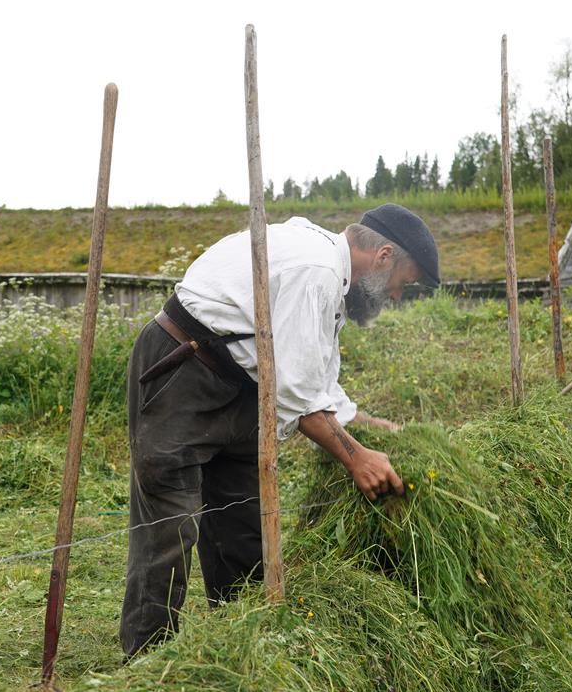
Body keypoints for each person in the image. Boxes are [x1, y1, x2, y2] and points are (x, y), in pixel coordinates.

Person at [119, 203, 440, 657]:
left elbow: (314, 377)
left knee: (243, 522)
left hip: (240, 387)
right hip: (182, 372)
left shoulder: (332, 281)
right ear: (384, 256)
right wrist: (356, 457)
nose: (396, 297)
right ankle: (148, 662)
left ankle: (239, 648)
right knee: (170, 526)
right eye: (402, 283)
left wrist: (363, 423)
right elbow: (294, 392)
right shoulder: (316, 269)